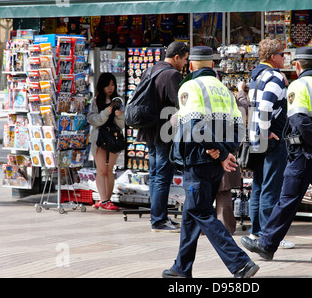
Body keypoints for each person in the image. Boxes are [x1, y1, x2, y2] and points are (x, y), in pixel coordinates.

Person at [241, 46, 312, 266]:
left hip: (304, 154)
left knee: (287, 199)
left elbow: (300, 120)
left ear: (298, 65)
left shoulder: (298, 86)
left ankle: (266, 244)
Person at [163, 46, 259, 278]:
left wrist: (219, 151)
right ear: (213, 65)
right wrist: (225, 151)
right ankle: (181, 268)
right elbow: (239, 127)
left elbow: (195, 125)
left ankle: (240, 263)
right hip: (215, 163)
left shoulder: (190, 85)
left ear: (192, 65)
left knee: (201, 211)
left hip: (198, 160)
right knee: (191, 213)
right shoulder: (224, 90)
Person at [136, 41, 189, 232]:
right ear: (176, 57)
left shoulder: (150, 70)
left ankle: (157, 216)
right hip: (163, 132)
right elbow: (180, 105)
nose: (184, 64)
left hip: (148, 130)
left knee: (154, 174)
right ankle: (158, 220)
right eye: (184, 60)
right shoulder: (172, 75)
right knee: (162, 176)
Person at [247, 38, 294, 249]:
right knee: (271, 188)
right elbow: (265, 106)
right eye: (283, 54)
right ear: (274, 57)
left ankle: (256, 231)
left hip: (256, 138)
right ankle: (269, 235)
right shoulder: (274, 77)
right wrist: (265, 133)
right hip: (271, 138)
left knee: (258, 185)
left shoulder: (256, 76)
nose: (285, 58)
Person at [88, 73, 125, 211]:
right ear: (102, 86)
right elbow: (93, 120)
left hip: (114, 138)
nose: (110, 88)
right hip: (100, 138)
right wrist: (106, 112)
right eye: (107, 85)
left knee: (110, 170)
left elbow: (122, 125)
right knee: (101, 170)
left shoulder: (119, 102)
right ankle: (104, 200)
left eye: (112, 85)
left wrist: (120, 117)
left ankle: (107, 200)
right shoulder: (96, 101)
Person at [216, 81, 248, 234]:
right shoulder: (225, 94)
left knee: (203, 190)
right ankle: (225, 227)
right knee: (223, 191)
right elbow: (242, 111)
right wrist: (241, 91)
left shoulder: (197, 93)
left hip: (203, 147)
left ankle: (201, 226)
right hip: (225, 147)